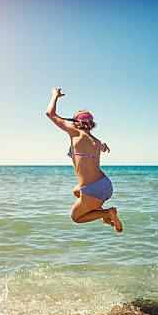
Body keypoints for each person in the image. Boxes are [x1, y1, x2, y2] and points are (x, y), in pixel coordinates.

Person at [45, 87, 122, 232]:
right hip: (106, 185)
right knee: (76, 191)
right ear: (91, 124)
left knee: (76, 217)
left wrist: (55, 95)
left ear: (75, 122)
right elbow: (103, 147)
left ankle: (106, 213)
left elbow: (50, 113)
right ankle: (102, 213)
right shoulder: (96, 141)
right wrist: (105, 147)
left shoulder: (75, 132)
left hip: (94, 189)